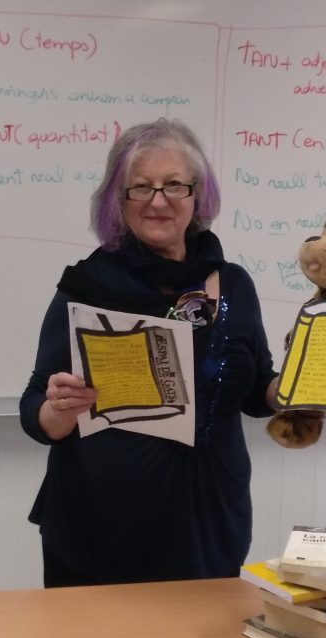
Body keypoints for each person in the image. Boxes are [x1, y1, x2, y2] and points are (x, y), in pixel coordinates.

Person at [19, 118, 279, 588]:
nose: (158, 201)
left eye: (174, 185)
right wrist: (58, 409)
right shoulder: (85, 287)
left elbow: (259, 393)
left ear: (197, 195)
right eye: (141, 187)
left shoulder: (234, 284)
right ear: (118, 202)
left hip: (209, 528)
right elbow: (34, 408)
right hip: (97, 537)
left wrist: (304, 381)